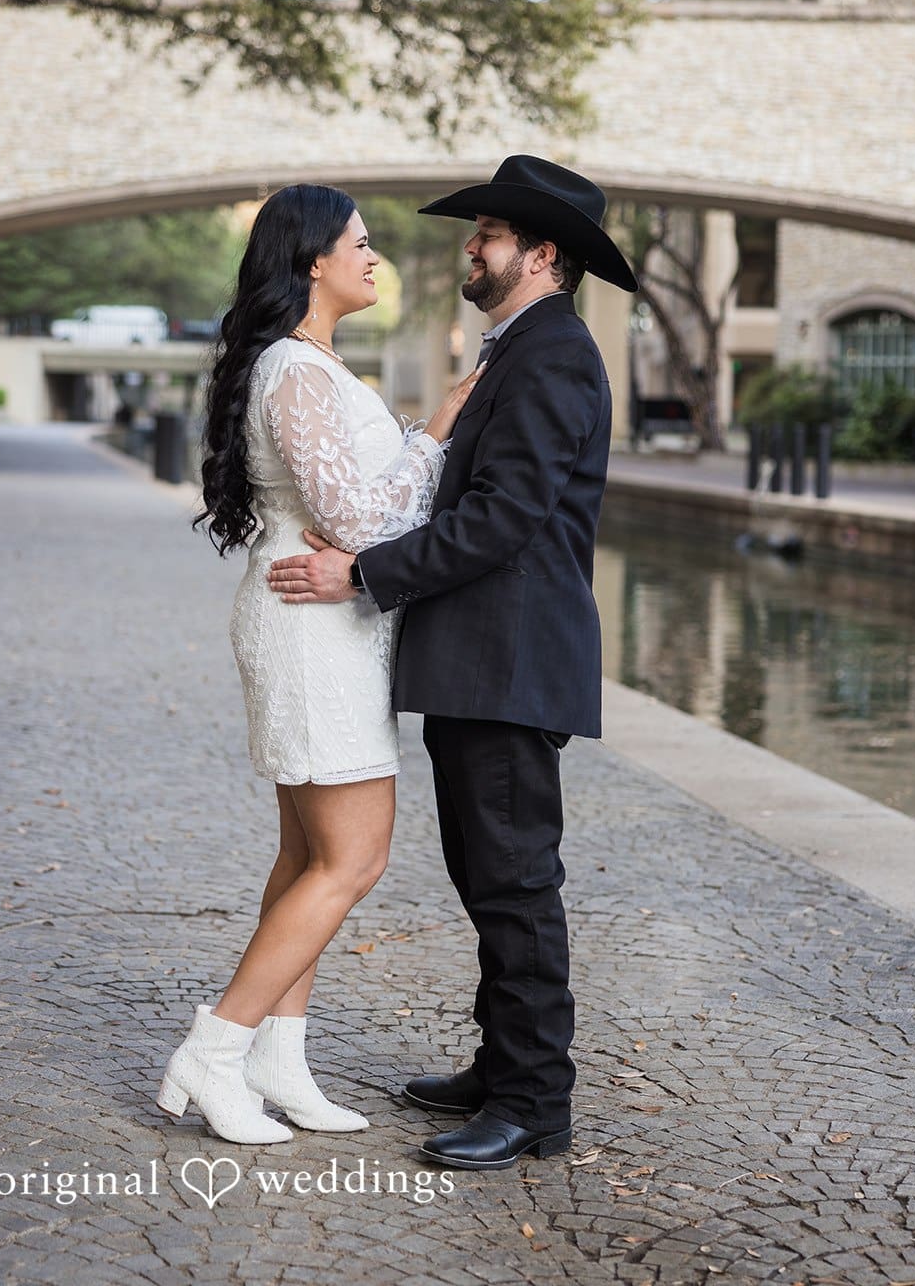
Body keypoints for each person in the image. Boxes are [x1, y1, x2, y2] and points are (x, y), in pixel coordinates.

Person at [268, 154, 638, 1170]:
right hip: (481, 658)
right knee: (487, 875)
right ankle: (500, 1062)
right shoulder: (522, 347)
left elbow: (504, 518)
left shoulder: (554, 352)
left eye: (485, 234)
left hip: (511, 659)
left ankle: (533, 1100)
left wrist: (364, 573)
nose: (467, 247)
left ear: (540, 252)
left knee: (515, 880)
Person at [156, 183, 485, 1145]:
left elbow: (350, 511)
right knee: (355, 856)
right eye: (362, 243)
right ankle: (213, 1050)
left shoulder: (307, 365)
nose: (374, 259)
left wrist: (424, 429)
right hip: (310, 629)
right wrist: (433, 438)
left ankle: (277, 1060)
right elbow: (355, 522)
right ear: (312, 261)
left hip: (324, 625)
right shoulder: (295, 372)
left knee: (306, 855)